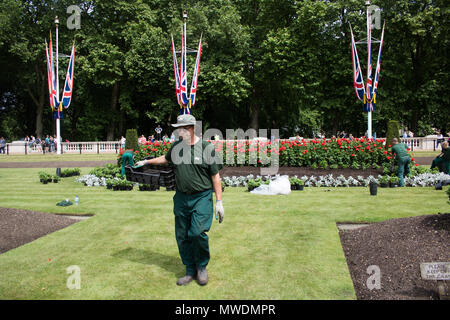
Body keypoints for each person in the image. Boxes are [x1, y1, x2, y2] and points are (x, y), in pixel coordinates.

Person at [136, 114, 224, 286]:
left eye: (182, 128)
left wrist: (219, 202)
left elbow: (215, 176)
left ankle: (201, 267)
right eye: (178, 129)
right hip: (181, 198)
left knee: (197, 232)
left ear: (192, 128)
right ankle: (190, 270)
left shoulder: (207, 148)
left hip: (202, 197)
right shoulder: (177, 147)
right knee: (182, 235)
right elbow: (165, 159)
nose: (179, 132)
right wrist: (146, 161)